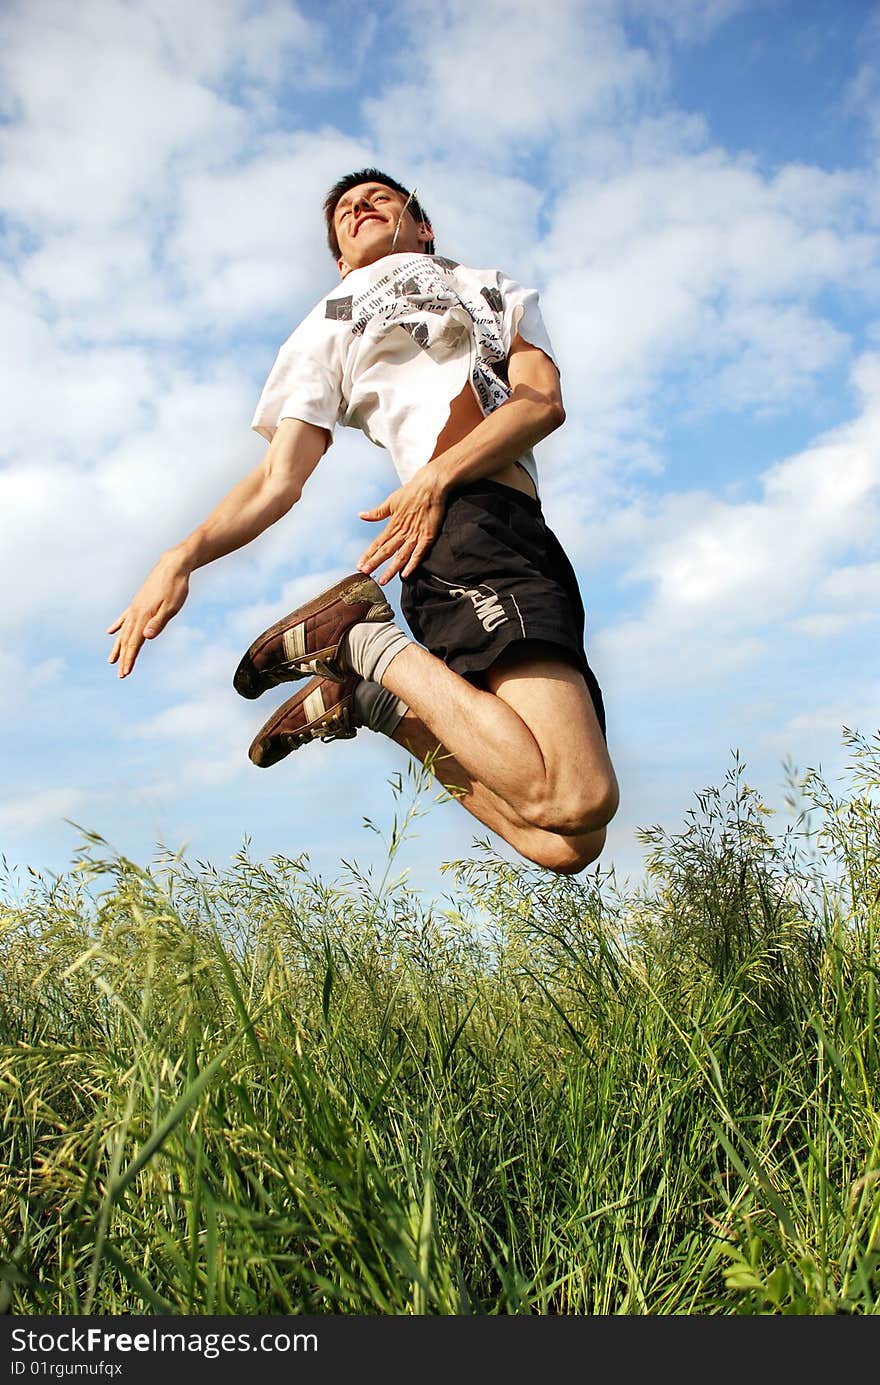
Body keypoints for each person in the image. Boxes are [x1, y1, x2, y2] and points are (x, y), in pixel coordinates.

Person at [108, 169, 619, 875]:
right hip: (454, 529)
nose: (360, 209)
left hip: (520, 532)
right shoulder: (329, 319)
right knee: (579, 794)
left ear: (422, 223)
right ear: (340, 259)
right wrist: (183, 553)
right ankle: (359, 638)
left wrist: (439, 473)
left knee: (569, 843)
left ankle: (373, 701)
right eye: (344, 212)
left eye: (379, 198)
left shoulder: (494, 287)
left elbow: (540, 403)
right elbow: (277, 480)